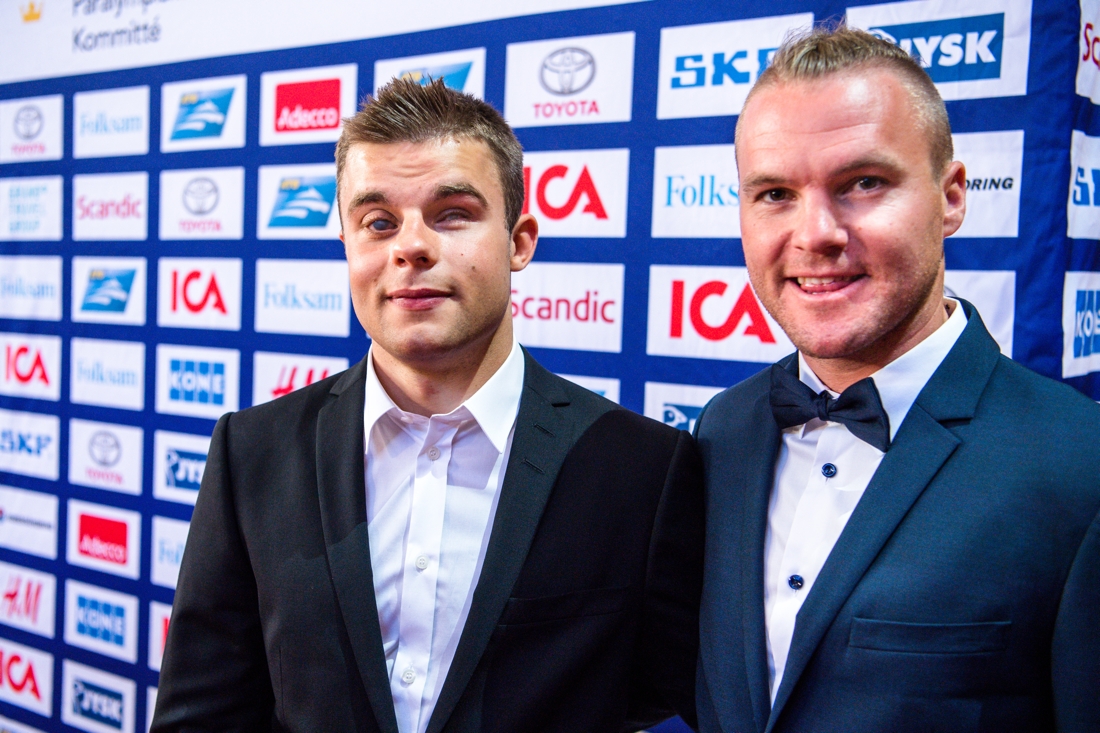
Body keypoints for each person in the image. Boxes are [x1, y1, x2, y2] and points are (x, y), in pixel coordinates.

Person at [151, 79, 703, 733]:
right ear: (348, 246)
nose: (410, 247)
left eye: (452, 214)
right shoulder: (253, 452)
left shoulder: (643, 465)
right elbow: (203, 713)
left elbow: (654, 690)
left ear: (519, 240)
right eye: (378, 222)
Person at [694, 25, 1100, 733]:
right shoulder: (720, 429)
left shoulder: (1081, 463)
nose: (815, 232)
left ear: (951, 197)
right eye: (775, 193)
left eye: (863, 183)